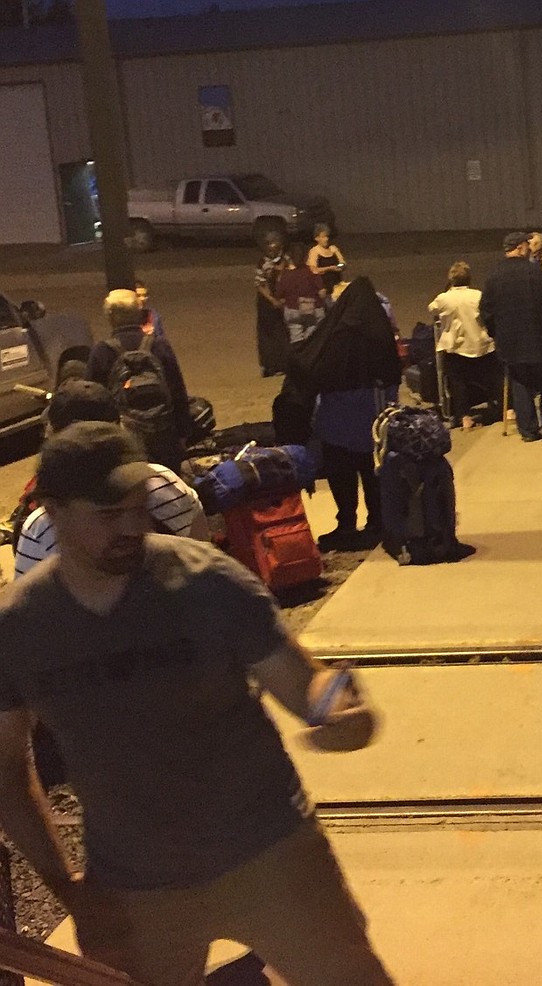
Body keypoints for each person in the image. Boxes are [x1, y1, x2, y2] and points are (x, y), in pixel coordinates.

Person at [0, 421, 394, 986]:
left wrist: (339, 708)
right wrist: (71, 890)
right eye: (110, 514)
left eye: (138, 507)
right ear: (53, 512)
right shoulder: (21, 629)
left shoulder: (205, 582)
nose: (134, 526)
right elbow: (8, 773)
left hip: (272, 855)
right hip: (135, 889)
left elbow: (305, 682)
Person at [14, 380, 209, 578]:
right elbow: (203, 554)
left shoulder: (44, 525)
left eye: (138, 508)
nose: (135, 530)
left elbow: (28, 603)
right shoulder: (165, 480)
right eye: (109, 515)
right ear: (119, 427)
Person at [287, 276, 401, 551]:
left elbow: (313, 364)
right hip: (373, 419)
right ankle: (377, 523)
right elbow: (392, 375)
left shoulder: (337, 334)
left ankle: (346, 525)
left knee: (342, 476)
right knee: (373, 475)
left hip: (337, 420)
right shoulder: (379, 333)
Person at [85, 288, 192, 473]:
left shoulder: (102, 352)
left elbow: (92, 401)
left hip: (124, 442)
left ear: (110, 317)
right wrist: (182, 434)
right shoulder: (159, 345)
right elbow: (178, 391)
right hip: (163, 436)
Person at [479, 232, 542, 443]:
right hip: (540, 340)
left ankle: (528, 430)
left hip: (509, 343)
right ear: (520, 247)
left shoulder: (493, 277)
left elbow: (486, 311)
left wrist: (496, 333)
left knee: (520, 384)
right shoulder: (536, 273)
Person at [428, 261, 500, 432]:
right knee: (492, 378)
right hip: (481, 343)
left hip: (455, 346)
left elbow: (432, 309)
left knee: (457, 383)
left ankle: (464, 416)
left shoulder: (444, 298)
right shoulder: (478, 295)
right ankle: (502, 408)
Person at [276, 240, 326, 346]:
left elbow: (279, 293)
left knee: (296, 339)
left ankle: (297, 357)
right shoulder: (311, 271)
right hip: (312, 310)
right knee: (311, 339)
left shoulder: (286, 275)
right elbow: (322, 292)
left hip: (293, 309)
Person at [254, 233, 290, 376]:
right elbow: (260, 285)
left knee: (283, 334)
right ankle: (269, 366)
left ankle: (284, 364)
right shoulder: (262, 263)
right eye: (268, 245)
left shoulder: (286, 260)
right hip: (266, 302)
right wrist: (272, 299)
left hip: (283, 300)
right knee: (267, 335)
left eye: (273, 245)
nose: (271, 249)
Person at [307, 223, 346, 295]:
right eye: (323, 237)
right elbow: (313, 270)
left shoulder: (333, 248)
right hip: (323, 286)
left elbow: (342, 263)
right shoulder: (314, 251)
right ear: (317, 238)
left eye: (327, 236)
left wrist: (340, 266)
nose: (326, 239)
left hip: (337, 285)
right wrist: (329, 268)